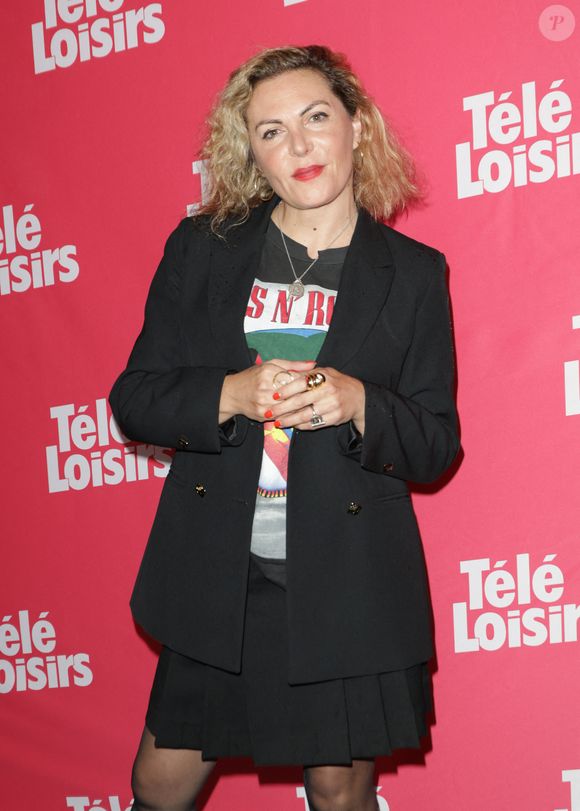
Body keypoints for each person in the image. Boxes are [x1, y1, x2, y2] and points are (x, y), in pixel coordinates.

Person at [109, 44, 459, 811]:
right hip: (221, 575)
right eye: (270, 131)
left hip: (349, 578)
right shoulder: (201, 250)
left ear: (357, 127)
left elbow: (436, 443)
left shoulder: (416, 272)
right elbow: (134, 397)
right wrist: (229, 392)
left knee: (339, 792)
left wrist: (361, 401)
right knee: (156, 785)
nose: (297, 146)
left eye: (315, 118)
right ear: (251, 153)